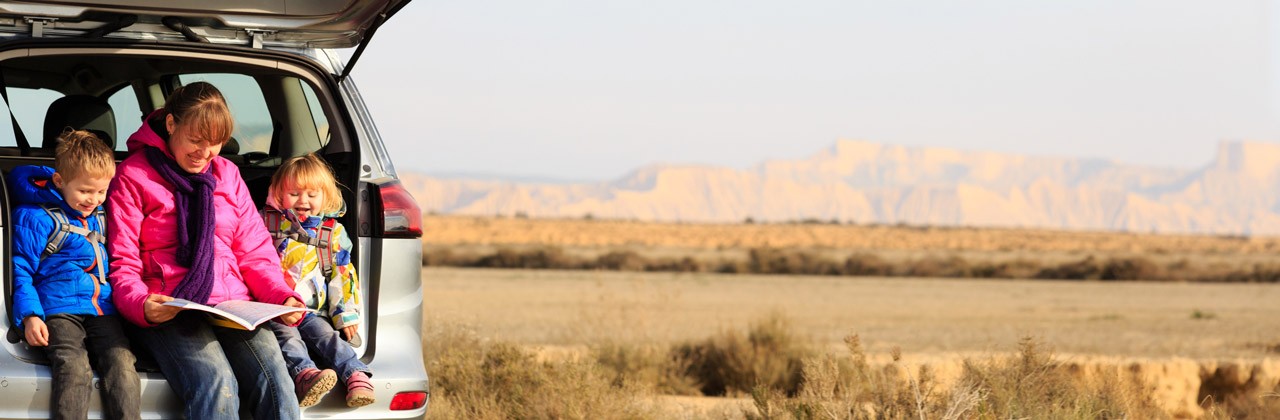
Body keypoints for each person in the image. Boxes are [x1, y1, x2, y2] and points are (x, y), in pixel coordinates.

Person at [107, 82, 304, 419]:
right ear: (171, 125)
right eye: (195, 141)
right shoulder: (133, 176)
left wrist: (281, 296)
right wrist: (141, 305)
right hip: (170, 307)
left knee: (277, 383)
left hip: (233, 307)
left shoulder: (228, 175)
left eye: (214, 144)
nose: (205, 153)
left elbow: (255, 251)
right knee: (217, 382)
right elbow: (122, 260)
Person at [9, 129, 140, 420]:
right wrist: (30, 314)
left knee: (122, 363)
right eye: (84, 191)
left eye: (101, 191)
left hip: (102, 307)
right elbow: (20, 269)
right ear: (59, 180)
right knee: (74, 366)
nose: (93, 199)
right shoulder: (36, 217)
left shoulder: (103, 215)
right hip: (58, 309)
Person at [262, 154, 375, 408]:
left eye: (312, 195)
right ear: (278, 194)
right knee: (288, 338)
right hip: (278, 310)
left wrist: (345, 315)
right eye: (294, 193)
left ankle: (356, 375)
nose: (303, 201)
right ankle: (306, 375)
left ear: (326, 197)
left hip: (314, 311)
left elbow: (342, 274)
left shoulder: (332, 232)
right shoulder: (266, 223)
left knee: (328, 337)